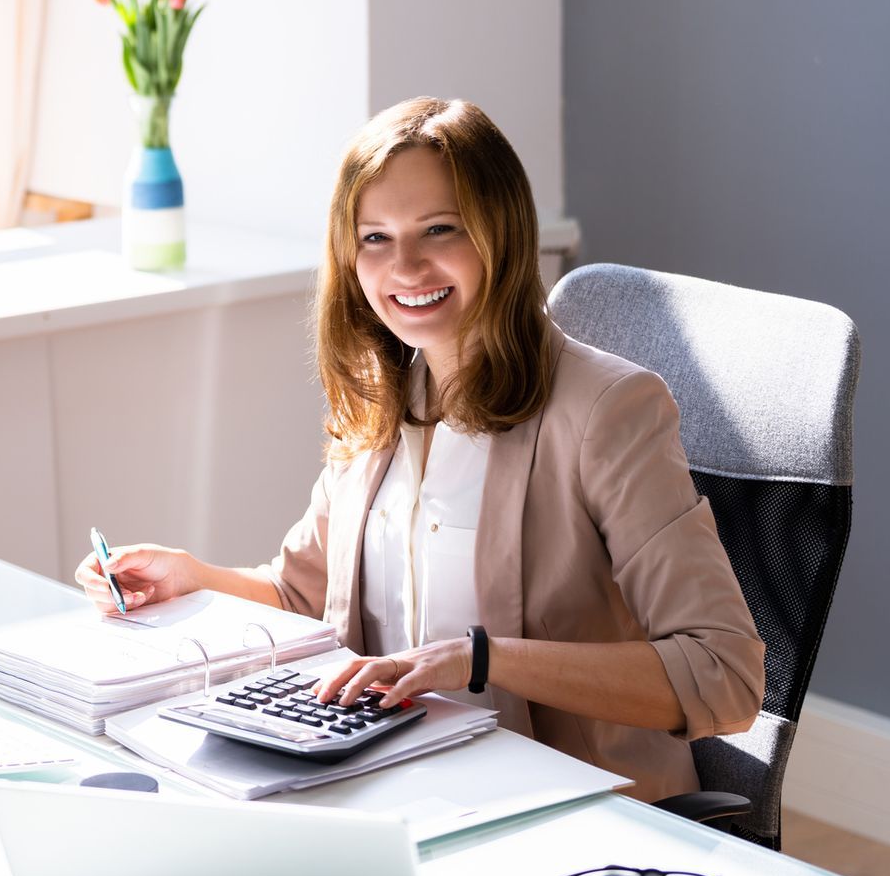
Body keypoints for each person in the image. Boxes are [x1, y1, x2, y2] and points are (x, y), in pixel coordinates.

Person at [77, 97, 763, 802]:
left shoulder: (605, 410)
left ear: (501, 232)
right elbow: (305, 596)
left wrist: (476, 661)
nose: (404, 266)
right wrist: (194, 576)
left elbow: (724, 675)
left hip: (563, 812)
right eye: (374, 237)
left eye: (439, 229)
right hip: (395, 782)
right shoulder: (381, 397)